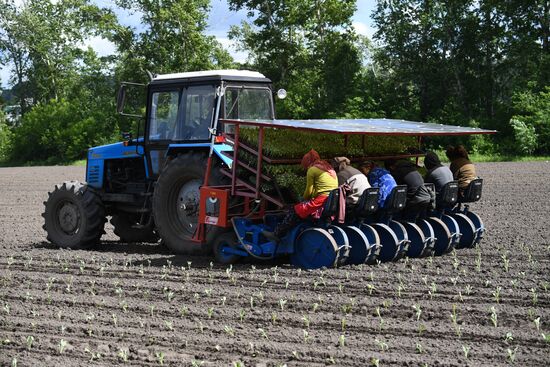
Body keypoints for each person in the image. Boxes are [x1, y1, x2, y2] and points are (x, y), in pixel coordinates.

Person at [275, 149, 338, 236]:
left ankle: (278, 234)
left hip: (322, 200)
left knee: (295, 210)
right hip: (332, 200)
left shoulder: (312, 169)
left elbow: (309, 190)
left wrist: (302, 200)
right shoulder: (328, 168)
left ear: (308, 161)